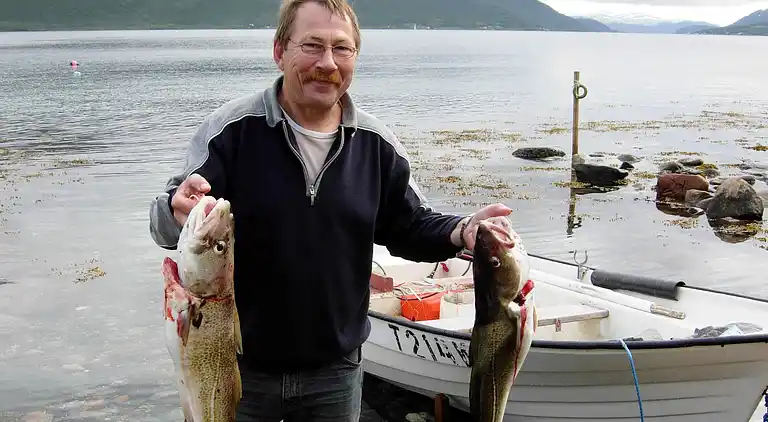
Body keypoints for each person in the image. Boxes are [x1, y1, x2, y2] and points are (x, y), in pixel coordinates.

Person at [148, 0, 516, 420]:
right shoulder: (231, 132)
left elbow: (409, 223)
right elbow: (166, 219)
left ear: (355, 57)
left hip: (336, 373)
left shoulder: (376, 144)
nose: (327, 63)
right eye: (312, 46)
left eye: (341, 49)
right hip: (236, 367)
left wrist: (462, 230)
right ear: (279, 51)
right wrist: (175, 213)